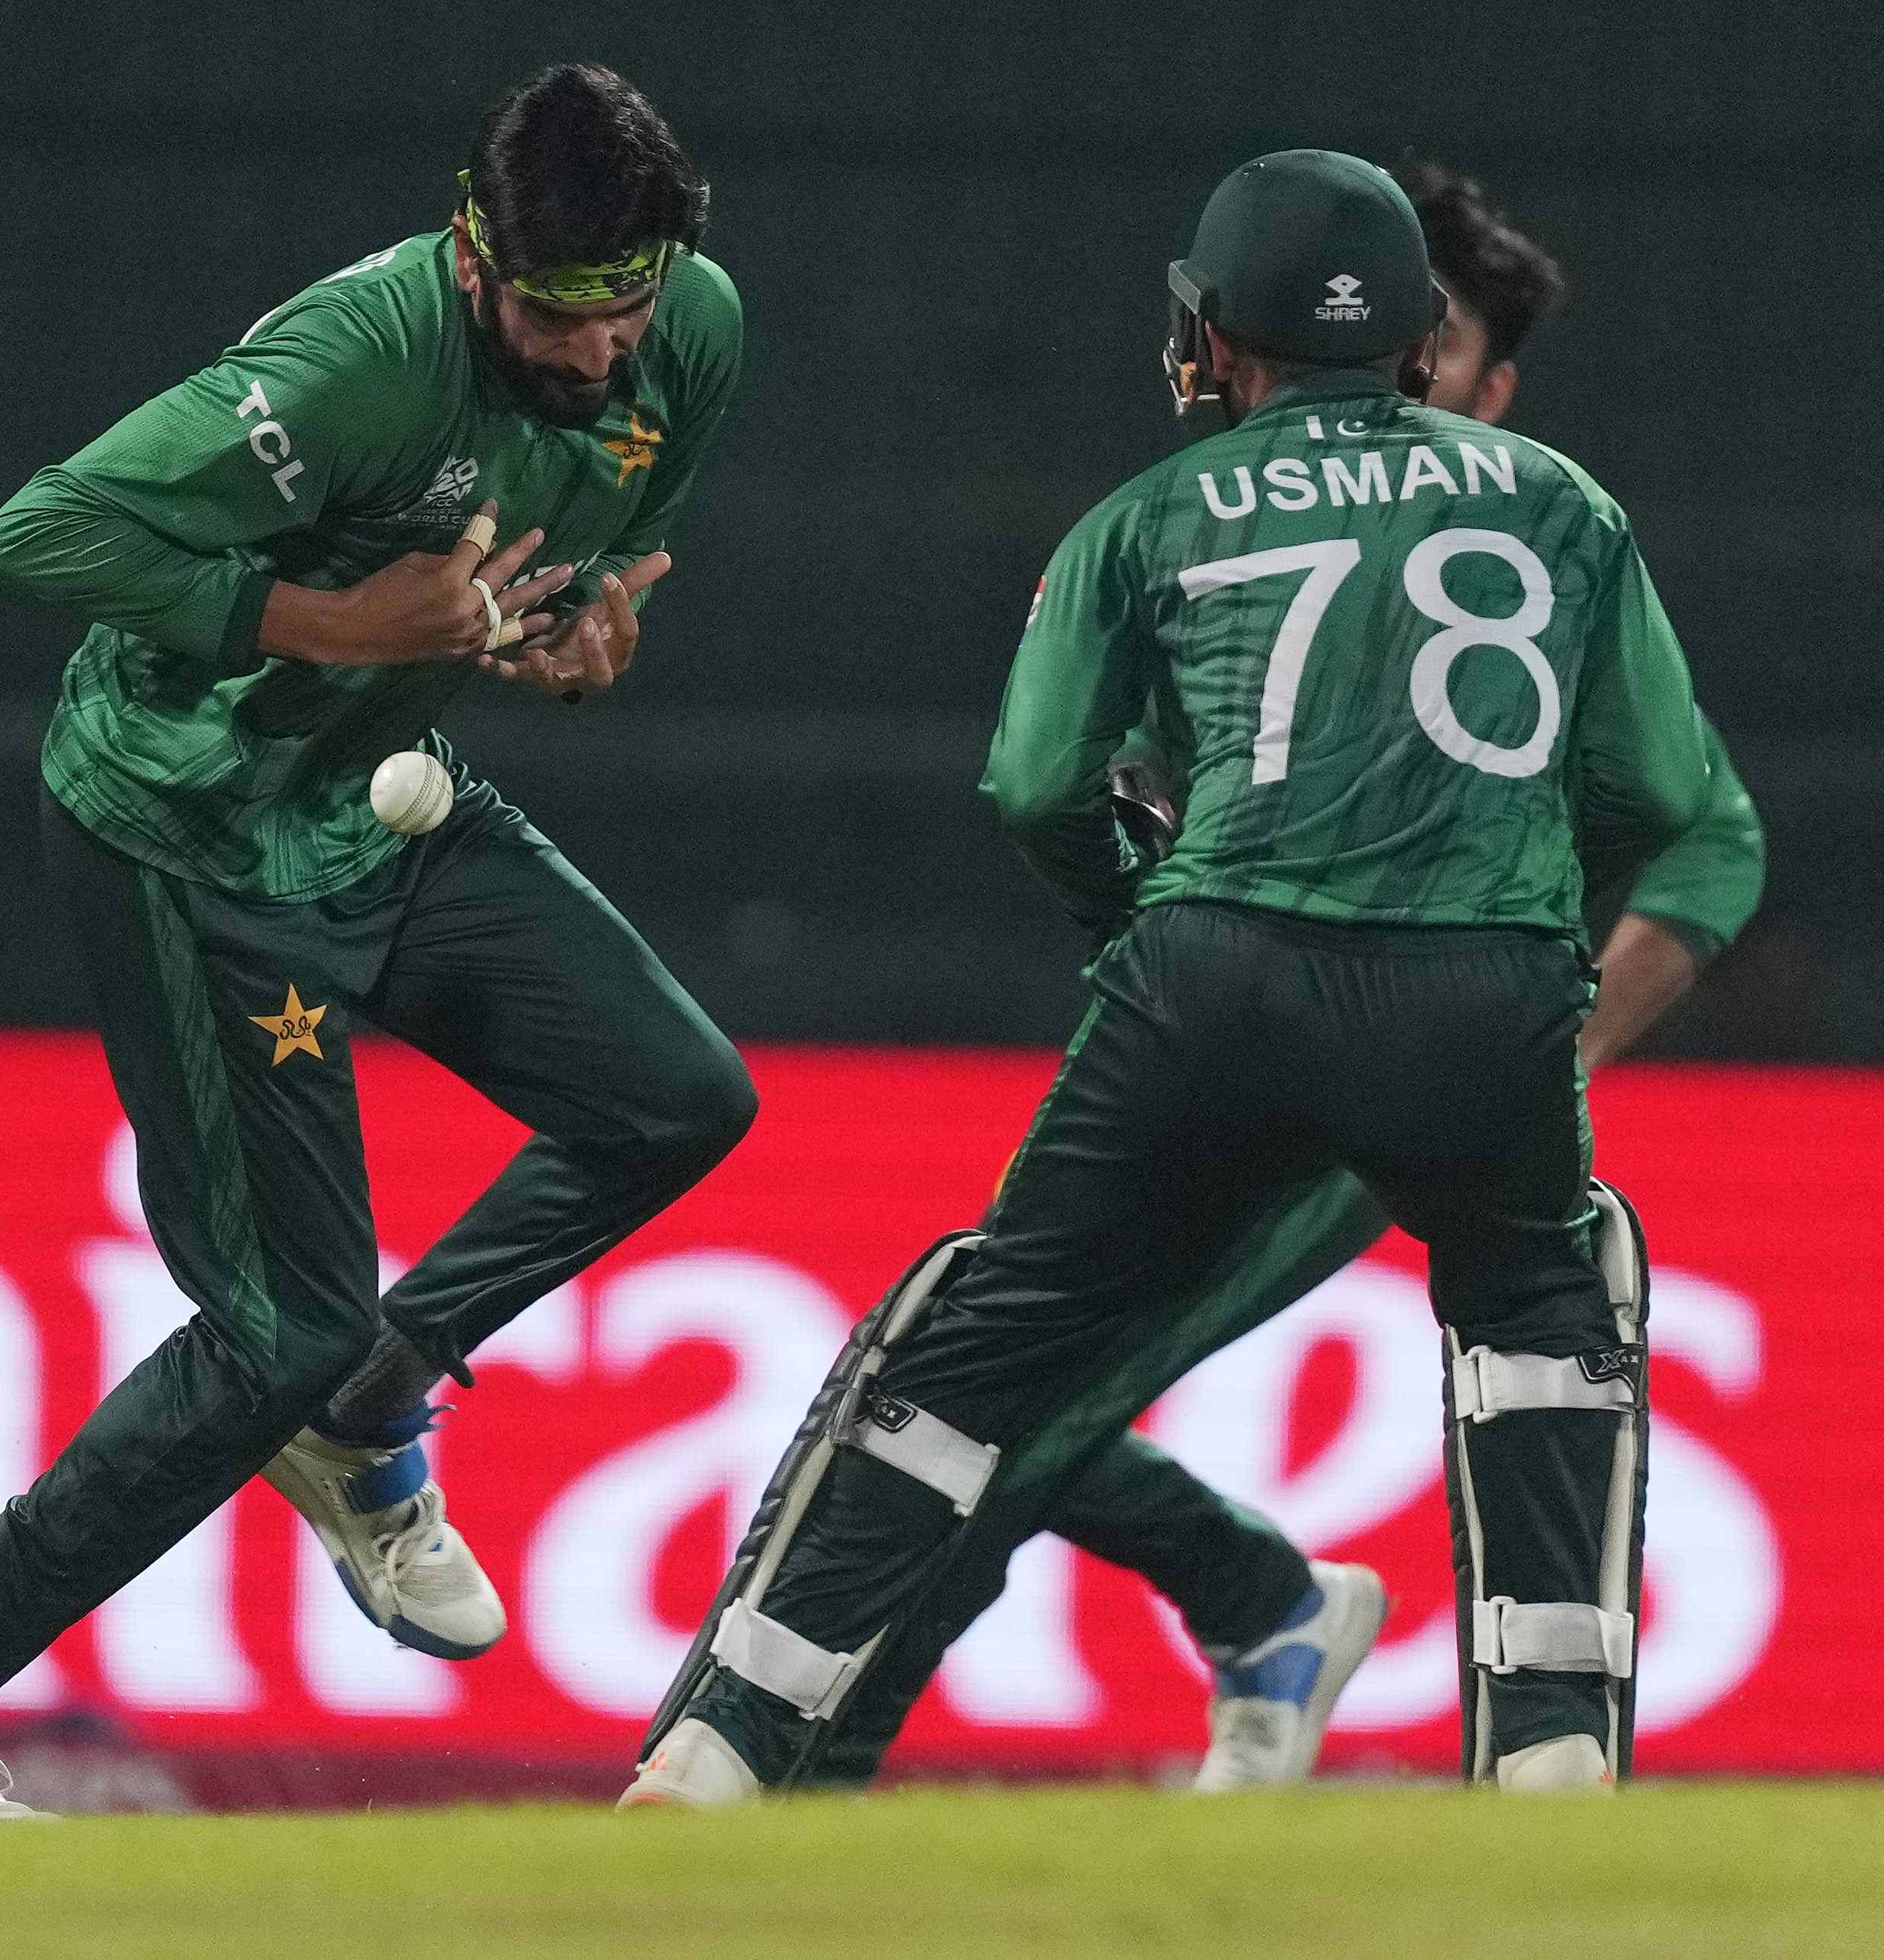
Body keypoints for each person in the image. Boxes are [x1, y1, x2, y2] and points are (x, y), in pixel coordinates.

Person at [0, 63, 757, 1821]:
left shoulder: (694, 332)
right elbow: (37, 530)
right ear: (470, 243)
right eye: (554, 315)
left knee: (677, 1095)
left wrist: (575, 643)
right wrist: (336, 617)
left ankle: (370, 1405)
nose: (598, 357)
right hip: (183, 834)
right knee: (271, 1326)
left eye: (626, 313)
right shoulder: (353, 365)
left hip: (377, 801)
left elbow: (580, 580)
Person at [631, 148, 1709, 1807]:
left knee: (973, 1340)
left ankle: (723, 1744)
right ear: (1419, 337)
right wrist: (1504, 875)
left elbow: (1032, 781)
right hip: (1479, 985)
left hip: (1210, 972)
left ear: (1206, 336)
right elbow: (1653, 785)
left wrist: (1122, 914)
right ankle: (1554, 1752)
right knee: (1546, 1311)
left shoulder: (1145, 516)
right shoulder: (1560, 501)